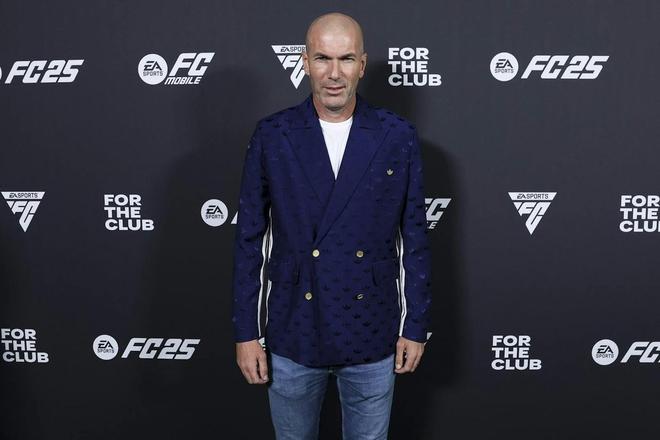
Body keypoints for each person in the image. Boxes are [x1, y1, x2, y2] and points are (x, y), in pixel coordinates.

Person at [232, 12, 432, 440]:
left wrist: (414, 326)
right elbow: (250, 241)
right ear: (305, 62)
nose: (334, 73)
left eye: (346, 59)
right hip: (294, 329)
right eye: (323, 58)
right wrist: (246, 333)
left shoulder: (397, 135)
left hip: (372, 330)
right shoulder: (273, 135)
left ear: (362, 64)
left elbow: (414, 239)